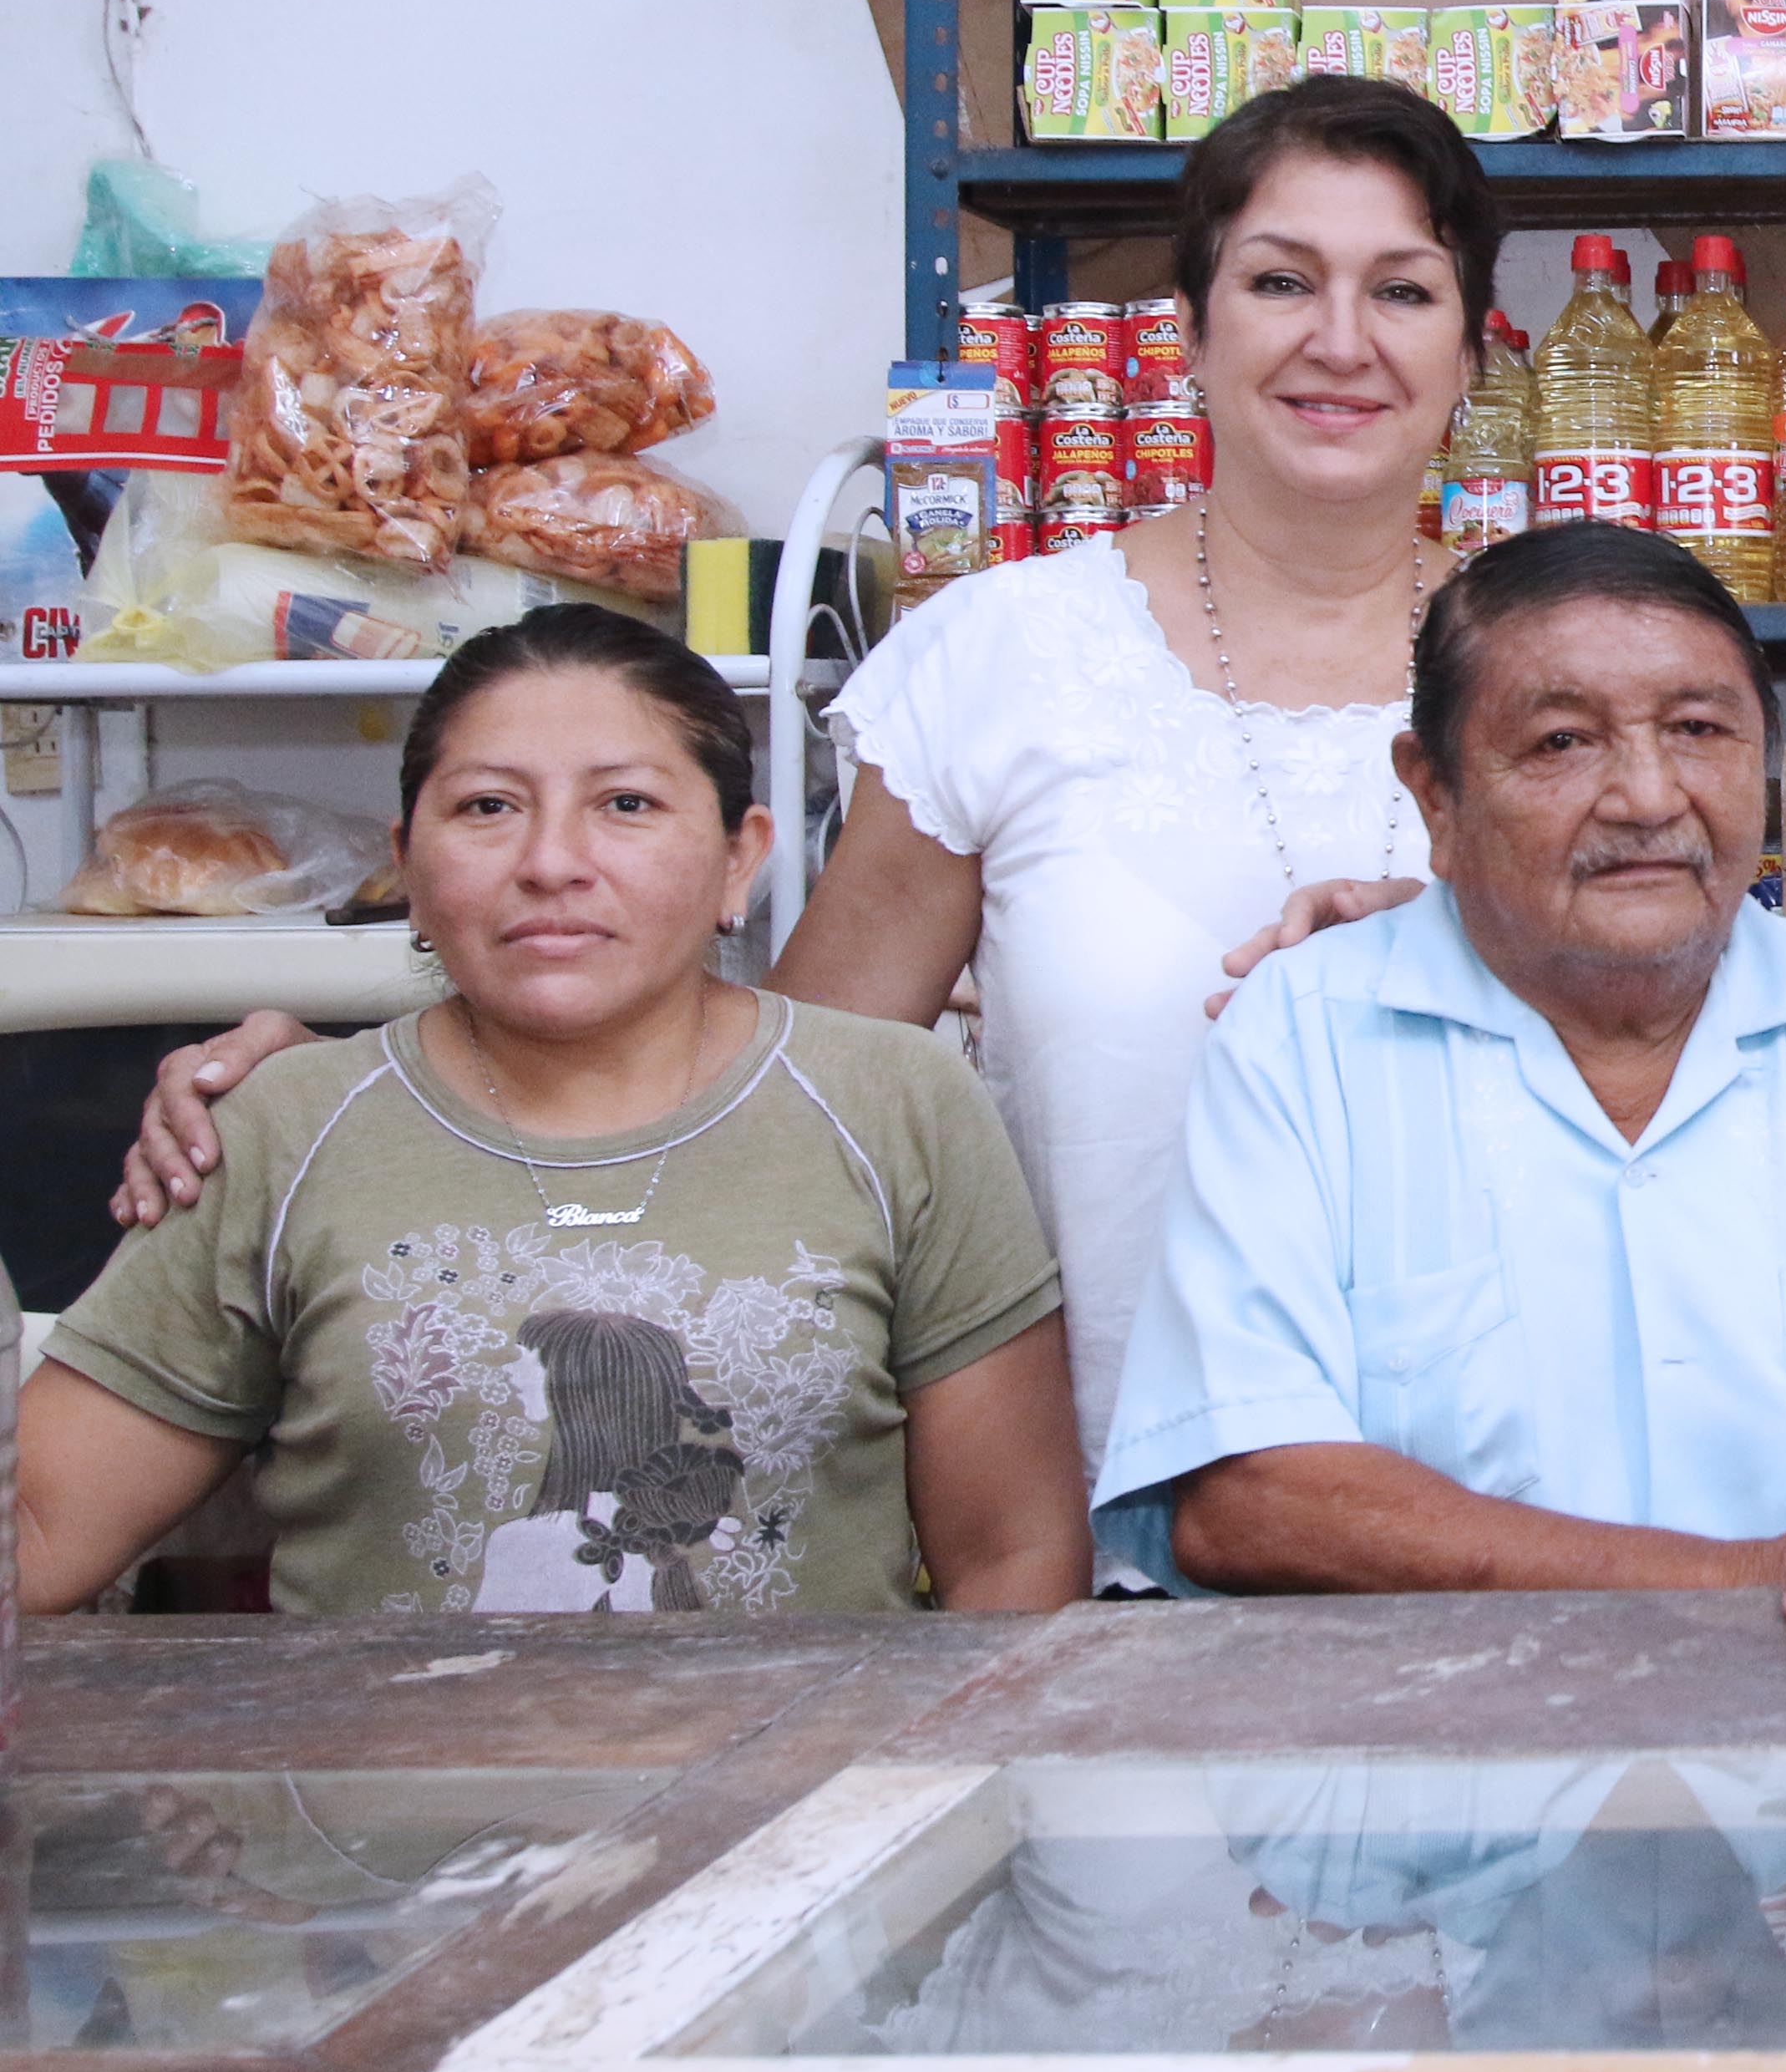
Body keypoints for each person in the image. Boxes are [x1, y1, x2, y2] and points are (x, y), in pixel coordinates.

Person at [117, 78, 1487, 1536]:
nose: (1341, 339)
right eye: (1280, 281)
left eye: (1402, 289)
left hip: (1526, 1497)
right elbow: (777, 1088)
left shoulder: (1580, 674)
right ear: (1192, 330)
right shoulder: (1006, 658)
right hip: (1109, 1515)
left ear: (1472, 350)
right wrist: (343, 1102)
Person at [1092, 525, 1786, 1632]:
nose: (1647, 797)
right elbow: (1248, 1499)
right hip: (1433, 1739)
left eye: (1699, 730)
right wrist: (1767, 1573)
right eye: (1564, 741)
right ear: (1434, 798)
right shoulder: (1304, 1038)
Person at [17, 606, 1084, 1616]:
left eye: (627, 805)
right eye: (488, 807)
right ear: (408, 866)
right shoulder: (281, 1128)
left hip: (812, 1761)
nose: (552, 864)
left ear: (740, 857)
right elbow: (41, 1533)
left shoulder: (895, 1103)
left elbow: (1013, 1554)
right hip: (376, 1759)